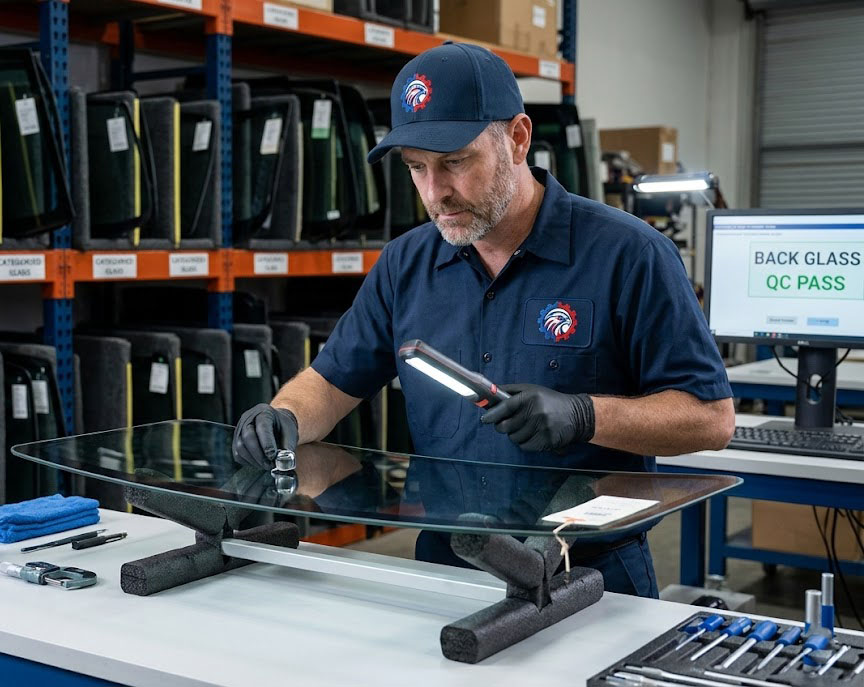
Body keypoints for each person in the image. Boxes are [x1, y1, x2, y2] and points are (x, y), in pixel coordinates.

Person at [232, 41, 735, 598]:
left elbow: (710, 419)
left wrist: (583, 415)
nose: (434, 193)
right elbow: (331, 383)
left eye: (454, 162)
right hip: (445, 566)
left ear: (517, 138)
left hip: (590, 575)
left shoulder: (629, 255)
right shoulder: (406, 264)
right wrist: (285, 419)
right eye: (416, 168)